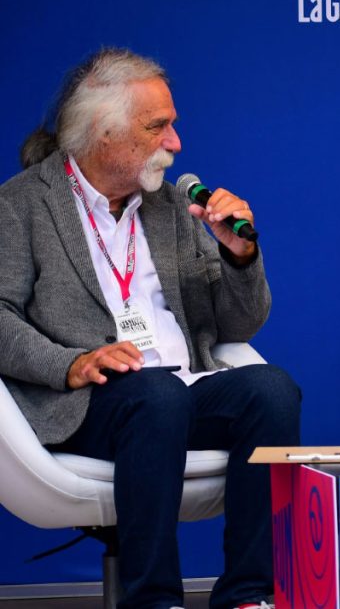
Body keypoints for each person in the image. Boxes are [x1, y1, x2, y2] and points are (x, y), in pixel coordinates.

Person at [0, 48, 301, 609]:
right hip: (89, 402)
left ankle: (248, 594)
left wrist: (239, 255)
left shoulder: (171, 208)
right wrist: (67, 364)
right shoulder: (22, 205)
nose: (176, 143)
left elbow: (238, 323)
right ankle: (153, 599)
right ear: (104, 133)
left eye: (174, 125)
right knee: (156, 396)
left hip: (180, 389)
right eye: (158, 127)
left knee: (272, 390)